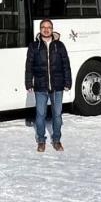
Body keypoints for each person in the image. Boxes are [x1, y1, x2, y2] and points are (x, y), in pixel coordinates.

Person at [25, 18, 72, 152]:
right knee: (40, 115)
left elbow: (66, 65)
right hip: (40, 86)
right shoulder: (34, 46)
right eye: (43, 27)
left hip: (57, 86)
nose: (46, 30)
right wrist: (29, 83)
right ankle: (41, 140)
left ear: (52, 29)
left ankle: (57, 140)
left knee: (57, 115)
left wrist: (68, 82)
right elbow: (29, 66)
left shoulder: (59, 45)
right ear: (40, 30)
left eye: (49, 27)